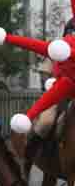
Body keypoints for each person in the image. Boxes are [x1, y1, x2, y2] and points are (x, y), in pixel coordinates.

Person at [23, 17, 75, 169]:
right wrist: (51, 84)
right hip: (60, 97)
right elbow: (45, 71)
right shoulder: (57, 48)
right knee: (46, 122)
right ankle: (29, 156)